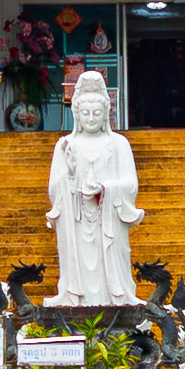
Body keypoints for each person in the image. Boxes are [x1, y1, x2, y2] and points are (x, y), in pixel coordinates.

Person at [45, 70, 143, 304]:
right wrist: (69, 175)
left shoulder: (118, 144)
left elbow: (130, 184)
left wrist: (104, 188)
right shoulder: (65, 145)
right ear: (76, 114)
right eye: (85, 113)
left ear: (106, 114)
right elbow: (53, 190)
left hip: (108, 223)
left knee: (110, 261)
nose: (90, 118)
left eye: (96, 113)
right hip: (76, 224)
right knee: (77, 262)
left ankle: (116, 301)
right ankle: (73, 297)